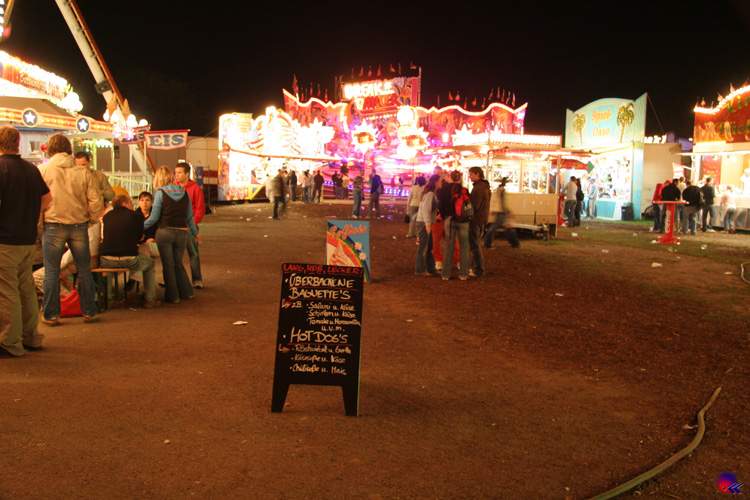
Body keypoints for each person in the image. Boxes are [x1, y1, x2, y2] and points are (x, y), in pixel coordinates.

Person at [39, 134, 103, 325]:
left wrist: (40, 224)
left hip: (53, 225)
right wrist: (91, 219)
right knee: (84, 269)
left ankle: (51, 315)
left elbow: (38, 201)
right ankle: (89, 311)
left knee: (51, 271)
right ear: (69, 149)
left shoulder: (43, 170)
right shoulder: (83, 172)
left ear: (50, 149)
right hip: (78, 225)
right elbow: (96, 201)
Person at [0, 126, 50, 356]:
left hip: (5, 239)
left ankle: (9, 341)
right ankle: (31, 336)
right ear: (17, 142)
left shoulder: (1, 168)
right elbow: (47, 199)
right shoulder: (31, 169)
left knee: (6, 291)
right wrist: (32, 214)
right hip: (28, 238)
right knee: (26, 288)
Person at [144, 166, 198, 304]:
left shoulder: (160, 193)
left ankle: (173, 296)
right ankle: (187, 292)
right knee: (178, 263)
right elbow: (189, 217)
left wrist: (139, 226)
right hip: (182, 233)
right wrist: (195, 233)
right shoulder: (184, 192)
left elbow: (154, 218)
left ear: (158, 179)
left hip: (165, 232)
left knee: (168, 265)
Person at [100, 194, 158, 308]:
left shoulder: (106, 217)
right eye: (131, 203)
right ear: (125, 203)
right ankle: (150, 300)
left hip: (106, 260)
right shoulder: (136, 216)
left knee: (107, 270)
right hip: (129, 259)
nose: (132, 205)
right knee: (150, 263)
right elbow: (139, 238)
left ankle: (108, 299)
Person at [174, 162, 205, 289]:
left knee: (193, 253)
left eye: (179, 172)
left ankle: (197, 280)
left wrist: (192, 224)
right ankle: (173, 280)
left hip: (189, 226)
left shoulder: (195, 188)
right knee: (175, 255)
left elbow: (200, 209)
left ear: (187, 174)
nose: (176, 175)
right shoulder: (173, 187)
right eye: (176, 172)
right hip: (175, 226)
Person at [442, 170, 471, 281]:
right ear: (460, 178)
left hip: (449, 220)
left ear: (450, 177)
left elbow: (441, 204)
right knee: (464, 247)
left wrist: (445, 216)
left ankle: (445, 274)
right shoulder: (465, 190)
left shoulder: (445, 189)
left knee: (449, 247)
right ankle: (463, 274)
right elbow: (468, 206)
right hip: (463, 221)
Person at [484, 177, 520, 249]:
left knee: (504, 227)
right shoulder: (502, 190)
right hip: (501, 211)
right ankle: (514, 243)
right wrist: (507, 211)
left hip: (500, 211)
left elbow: (498, 201)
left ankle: (514, 243)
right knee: (505, 227)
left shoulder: (498, 190)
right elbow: (503, 202)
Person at [415, 175, 439, 276]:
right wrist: (428, 224)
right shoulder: (430, 194)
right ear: (436, 182)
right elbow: (426, 210)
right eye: (440, 181)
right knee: (424, 247)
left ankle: (430, 268)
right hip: (424, 222)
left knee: (428, 246)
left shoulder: (429, 193)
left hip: (423, 221)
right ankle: (420, 269)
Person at [468, 167, 490, 278]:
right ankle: (476, 268)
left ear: (477, 174)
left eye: (471, 174)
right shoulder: (484, 186)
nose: (469, 176)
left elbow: (474, 206)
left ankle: (478, 269)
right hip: (481, 219)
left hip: (476, 219)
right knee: (476, 244)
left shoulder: (478, 188)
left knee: (475, 245)